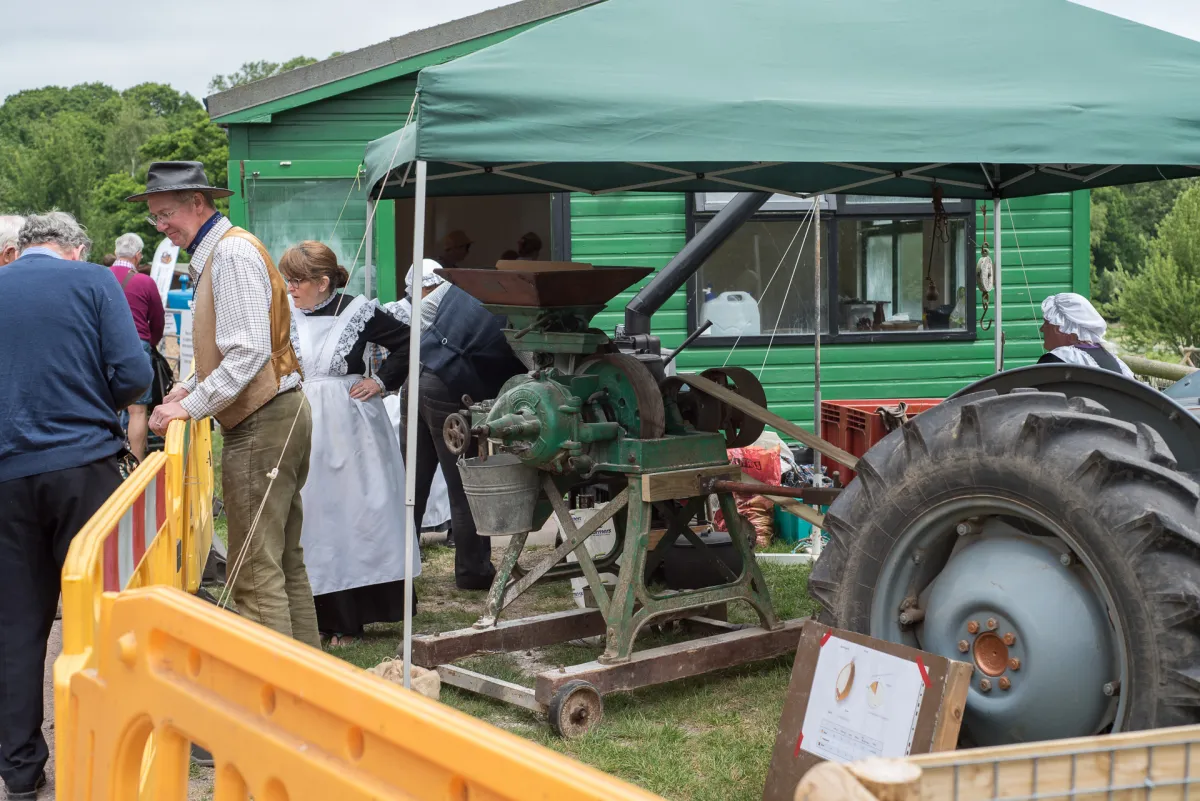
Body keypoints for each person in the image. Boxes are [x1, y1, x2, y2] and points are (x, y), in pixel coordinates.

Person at [131, 162, 320, 652]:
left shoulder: (231, 252)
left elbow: (248, 351)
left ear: (199, 203)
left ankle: (277, 703)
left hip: (263, 418)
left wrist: (189, 405)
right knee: (282, 561)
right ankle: (312, 689)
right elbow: (234, 346)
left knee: (255, 570)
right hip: (275, 412)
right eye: (154, 218)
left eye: (165, 213)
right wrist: (188, 386)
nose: (161, 227)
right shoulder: (225, 248)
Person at [0, 211, 152, 800]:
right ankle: (107, 746)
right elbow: (134, 373)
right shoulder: (93, 281)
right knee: (101, 610)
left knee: (15, 622)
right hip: (82, 463)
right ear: (75, 246)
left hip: (7, 472)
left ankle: (19, 770)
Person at [279, 241, 420, 647]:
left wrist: (380, 381)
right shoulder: (284, 314)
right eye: (288, 280)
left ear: (323, 283)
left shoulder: (357, 311)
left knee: (357, 513)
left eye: (298, 281)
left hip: (351, 427)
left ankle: (360, 610)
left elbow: (409, 341)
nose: (290, 288)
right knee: (314, 514)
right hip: (302, 419)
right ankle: (316, 612)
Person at [400, 259, 527, 590]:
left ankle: (397, 570)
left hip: (417, 379)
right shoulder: (511, 309)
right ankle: (473, 571)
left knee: (410, 484)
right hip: (449, 390)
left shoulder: (462, 290)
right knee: (464, 487)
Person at [110, 232, 166, 460]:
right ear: (138, 256)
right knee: (137, 409)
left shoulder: (98, 277)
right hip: (136, 346)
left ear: (116, 253)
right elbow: (158, 318)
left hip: (103, 348)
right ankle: (135, 463)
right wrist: (150, 342)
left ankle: (108, 460)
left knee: (106, 405)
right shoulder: (145, 281)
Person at [1037, 292, 1135, 378]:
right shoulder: (1115, 362)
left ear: (1061, 328)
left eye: (1046, 323)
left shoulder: (1057, 359)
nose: (1042, 329)